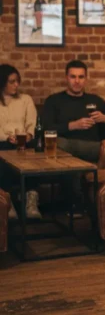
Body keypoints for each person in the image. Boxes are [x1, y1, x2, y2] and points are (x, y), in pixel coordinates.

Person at [42, 60, 105, 211]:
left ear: (86, 79)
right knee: (62, 148)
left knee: (63, 146)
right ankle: (77, 204)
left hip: (92, 148)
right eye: (73, 77)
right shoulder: (54, 101)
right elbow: (46, 128)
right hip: (65, 150)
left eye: (81, 77)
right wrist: (72, 125)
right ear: (66, 77)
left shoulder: (95, 101)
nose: (77, 81)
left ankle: (75, 204)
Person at [0, 64, 41, 219]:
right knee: (3, 152)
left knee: (34, 152)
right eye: (12, 81)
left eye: (17, 81)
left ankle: (31, 200)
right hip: (3, 142)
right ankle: (7, 202)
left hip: (24, 141)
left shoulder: (26, 100)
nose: (16, 85)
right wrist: (7, 137)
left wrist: (28, 135)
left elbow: (32, 123)